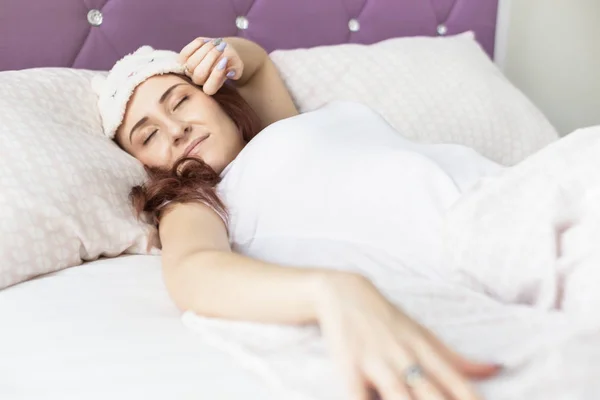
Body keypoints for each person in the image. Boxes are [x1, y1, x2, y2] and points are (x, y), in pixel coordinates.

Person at [92, 37, 501, 400]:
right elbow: (192, 270)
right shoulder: (195, 201)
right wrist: (333, 292)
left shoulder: (283, 129)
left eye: (181, 100)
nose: (176, 128)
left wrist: (224, 51)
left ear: (214, 95)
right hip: (482, 242)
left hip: (504, 189)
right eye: (148, 136)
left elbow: (258, 65)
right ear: (141, 164)